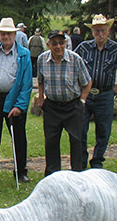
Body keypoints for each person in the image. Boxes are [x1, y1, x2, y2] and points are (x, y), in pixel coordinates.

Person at [75, 14, 117, 170]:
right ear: (92, 32)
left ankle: (97, 162)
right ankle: (81, 162)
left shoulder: (116, 49)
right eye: (96, 31)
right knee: (80, 129)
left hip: (105, 95)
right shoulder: (84, 47)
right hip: (85, 95)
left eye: (102, 30)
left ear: (108, 31)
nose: (100, 34)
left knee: (103, 130)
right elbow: (71, 62)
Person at [0, 17, 33, 183]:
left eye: (9, 33)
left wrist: (20, 105)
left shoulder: (24, 54)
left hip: (13, 99)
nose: (6, 36)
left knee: (18, 137)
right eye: (3, 33)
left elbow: (27, 83)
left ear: (14, 35)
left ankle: (20, 171)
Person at [37, 31, 92, 176]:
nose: (58, 46)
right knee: (51, 141)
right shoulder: (42, 59)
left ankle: (78, 174)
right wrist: (41, 98)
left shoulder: (75, 59)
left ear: (66, 44)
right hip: (52, 106)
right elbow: (41, 80)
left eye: (61, 43)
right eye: (54, 43)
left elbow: (87, 82)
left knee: (76, 140)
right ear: (48, 45)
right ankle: (52, 176)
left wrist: (82, 100)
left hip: (72, 105)